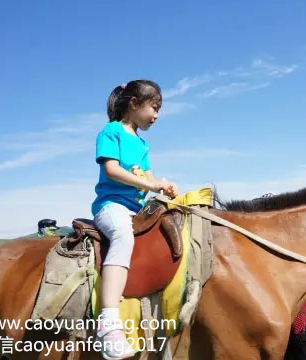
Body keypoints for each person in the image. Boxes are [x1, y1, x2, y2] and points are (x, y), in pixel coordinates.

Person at [92, 80, 178, 359]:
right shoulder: (111, 132)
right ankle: (109, 323)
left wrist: (162, 186)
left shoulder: (142, 143)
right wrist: (150, 186)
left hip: (137, 209)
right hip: (112, 206)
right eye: (154, 107)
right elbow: (112, 170)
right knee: (122, 236)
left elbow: (147, 178)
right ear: (134, 104)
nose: (156, 115)